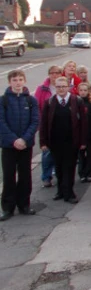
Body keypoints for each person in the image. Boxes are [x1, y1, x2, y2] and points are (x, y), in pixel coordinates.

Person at [40, 76, 87, 203]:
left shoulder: (77, 101)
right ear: (55, 87)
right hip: (55, 142)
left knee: (69, 167)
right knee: (59, 168)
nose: (61, 89)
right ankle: (60, 191)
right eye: (58, 86)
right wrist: (43, 142)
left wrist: (83, 141)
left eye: (63, 86)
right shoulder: (49, 102)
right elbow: (44, 123)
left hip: (72, 141)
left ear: (69, 87)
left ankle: (69, 193)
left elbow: (83, 123)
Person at [0, 70, 39, 221]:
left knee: (25, 175)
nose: (18, 83)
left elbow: (35, 122)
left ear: (24, 81)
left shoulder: (31, 100)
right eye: (15, 80)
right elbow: (1, 122)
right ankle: (8, 207)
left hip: (25, 145)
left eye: (20, 79)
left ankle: (24, 204)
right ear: (10, 82)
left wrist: (24, 139)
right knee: (9, 176)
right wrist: (14, 140)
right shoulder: (3, 101)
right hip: (9, 146)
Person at [34, 65, 62, 187]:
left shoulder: (63, 87)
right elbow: (36, 107)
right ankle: (46, 177)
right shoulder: (42, 89)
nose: (55, 75)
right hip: (46, 125)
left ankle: (59, 174)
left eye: (57, 73)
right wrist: (41, 123)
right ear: (49, 74)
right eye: (52, 73)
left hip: (60, 125)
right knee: (47, 153)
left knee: (59, 153)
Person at [77, 83, 91, 183]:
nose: (83, 92)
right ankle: (81, 173)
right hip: (79, 134)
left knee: (89, 155)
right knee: (80, 156)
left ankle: (89, 173)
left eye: (85, 90)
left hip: (89, 133)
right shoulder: (76, 102)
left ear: (89, 91)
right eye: (81, 90)